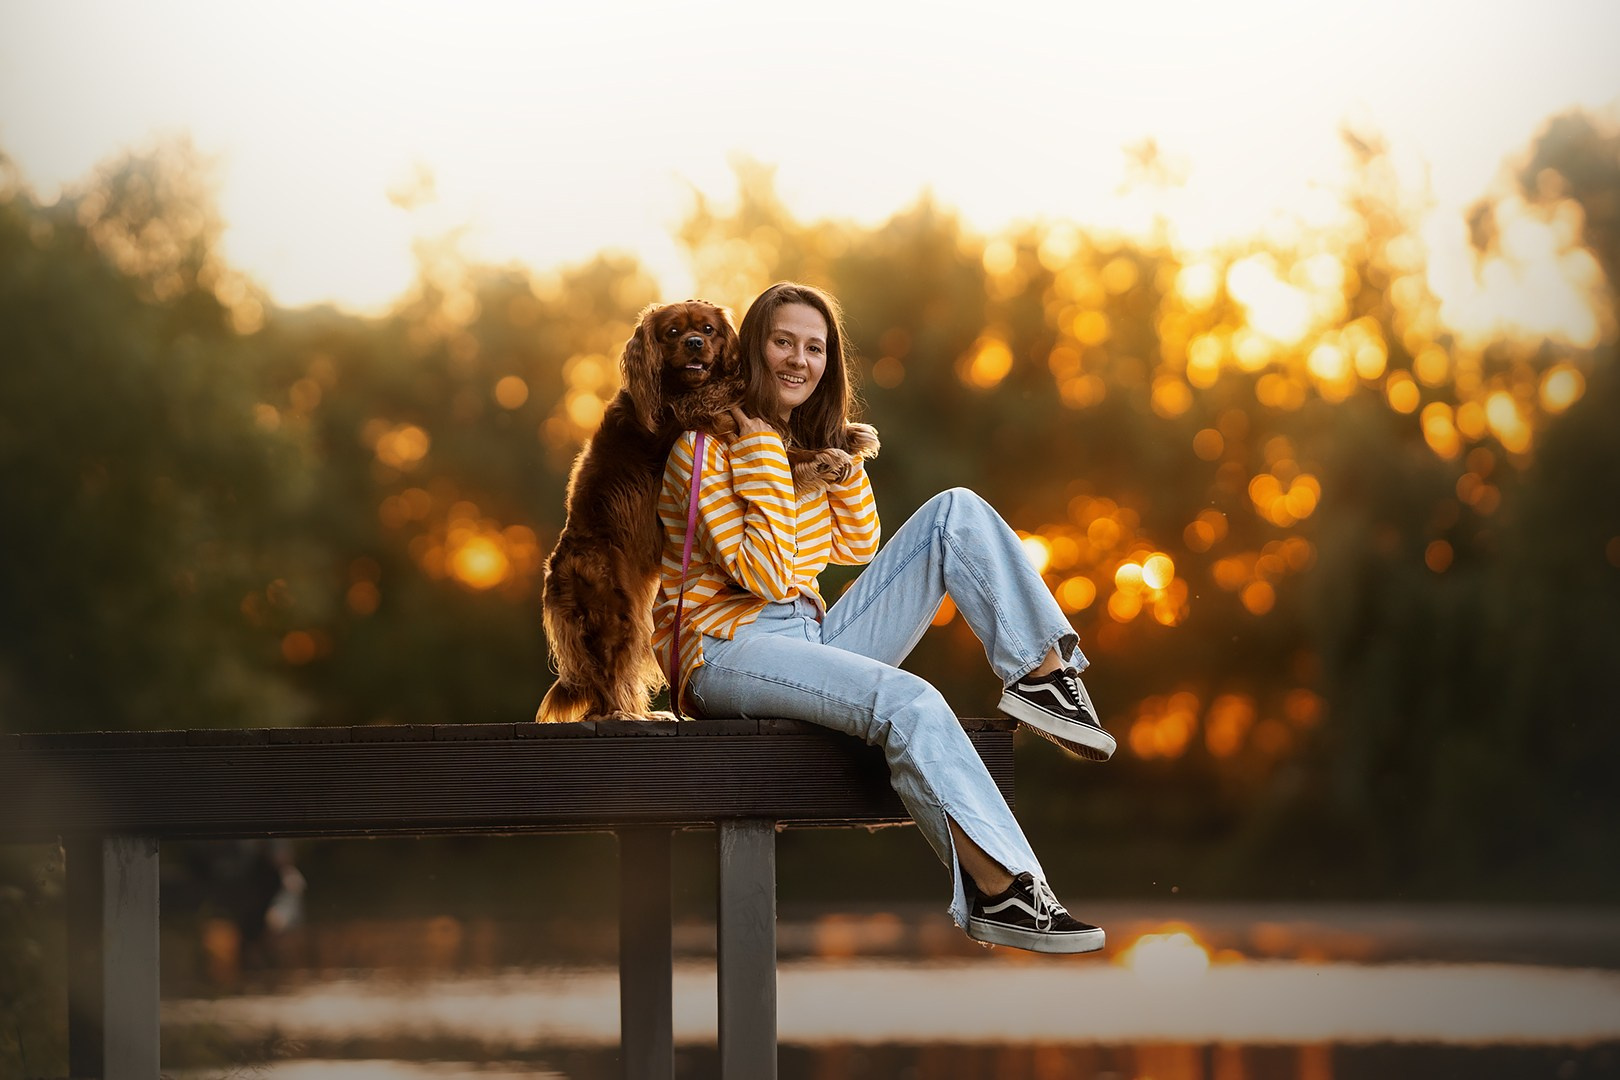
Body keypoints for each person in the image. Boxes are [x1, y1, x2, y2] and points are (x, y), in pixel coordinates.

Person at [652, 281, 1114, 954]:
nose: (799, 360)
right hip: (724, 651)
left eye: (815, 348)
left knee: (956, 510)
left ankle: (1042, 675)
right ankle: (1001, 889)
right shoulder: (700, 454)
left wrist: (828, 463)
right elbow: (767, 575)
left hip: (805, 638)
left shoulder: (795, 452)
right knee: (911, 701)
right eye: (783, 342)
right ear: (754, 349)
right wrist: (761, 457)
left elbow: (855, 542)